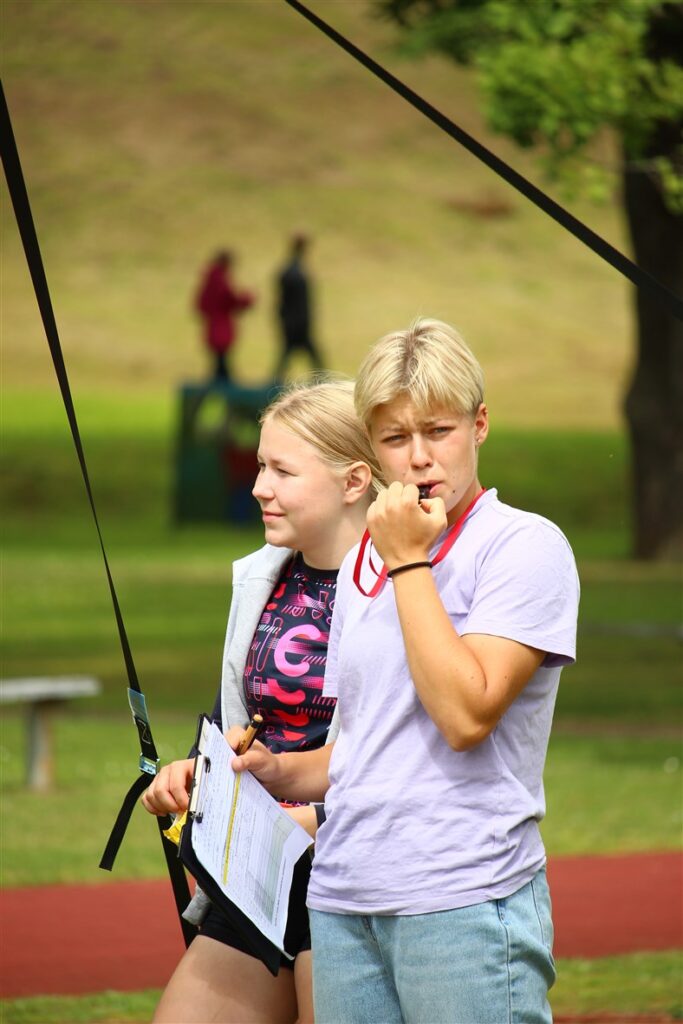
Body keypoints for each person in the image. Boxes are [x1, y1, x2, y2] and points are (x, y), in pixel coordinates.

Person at [232, 318, 580, 1024]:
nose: (419, 458)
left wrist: (408, 561)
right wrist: (278, 771)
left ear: (479, 425)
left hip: (462, 898)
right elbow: (368, 746)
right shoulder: (365, 559)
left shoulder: (521, 546)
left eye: (438, 431)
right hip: (343, 897)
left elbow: (464, 716)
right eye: (394, 438)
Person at [142, 379, 381, 1024]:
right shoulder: (261, 576)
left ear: (354, 481)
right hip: (259, 879)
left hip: (354, 877)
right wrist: (194, 775)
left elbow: (411, 750)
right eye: (259, 466)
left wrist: (312, 820)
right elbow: (240, 721)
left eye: (282, 470)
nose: (257, 487)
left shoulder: (401, 586)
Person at [194, 249, 255, 382]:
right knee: (222, 363)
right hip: (221, 327)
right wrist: (248, 298)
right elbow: (232, 299)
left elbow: (200, 305)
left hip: (213, 326)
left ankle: (220, 386)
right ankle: (228, 390)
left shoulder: (210, 279)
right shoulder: (220, 280)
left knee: (220, 363)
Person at [274, 234, 324, 379]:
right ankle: (322, 379)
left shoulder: (289, 270)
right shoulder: (296, 273)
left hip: (291, 321)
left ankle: (276, 379)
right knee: (311, 354)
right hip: (297, 322)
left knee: (287, 354)